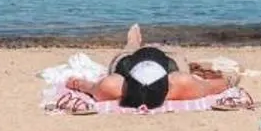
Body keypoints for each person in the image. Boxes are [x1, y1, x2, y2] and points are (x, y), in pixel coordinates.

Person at [64, 24, 249, 110]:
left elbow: (89, 87)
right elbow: (213, 86)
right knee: (174, 54)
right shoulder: (179, 82)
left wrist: (78, 84)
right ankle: (138, 42)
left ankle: (133, 41)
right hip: (167, 62)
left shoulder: (114, 85)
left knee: (129, 50)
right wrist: (231, 79)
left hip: (129, 62)